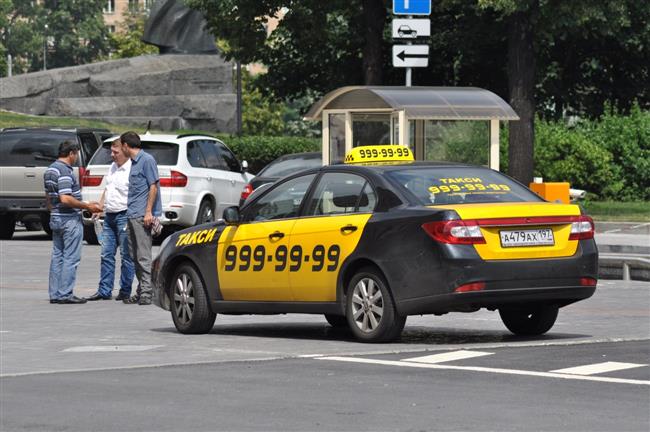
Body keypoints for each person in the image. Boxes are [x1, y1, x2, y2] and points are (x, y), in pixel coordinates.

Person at [44, 140, 101, 304]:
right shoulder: (64, 170)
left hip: (56, 216)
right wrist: (87, 206)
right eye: (76, 154)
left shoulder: (51, 169)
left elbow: (48, 196)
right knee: (71, 257)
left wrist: (53, 210)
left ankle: (55, 293)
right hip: (68, 218)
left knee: (58, 256)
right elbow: (66, 198)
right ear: (71, 153)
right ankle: (65, 294)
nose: (76, 158)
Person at [85, 140, 135, 301]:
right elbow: (108, 189)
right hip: (110, 216)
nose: (112, 155)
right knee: (106, 254)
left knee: (126, 255)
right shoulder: (112, 167)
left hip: (124, 215)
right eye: (111, 152)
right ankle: (104, 290)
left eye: (116, 152)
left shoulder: (132, 169)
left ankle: (125, 290)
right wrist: (100, 206)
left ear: (125, 150)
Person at [120, 131, 162, 305]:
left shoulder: (147, 160)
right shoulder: (134, 163)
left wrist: (148, 212)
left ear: (125, 145)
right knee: (133, 255)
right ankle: (141, 289)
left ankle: (147, 292)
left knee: (143, 256)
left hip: (141, 215)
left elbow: (153, 187)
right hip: (131, 214)